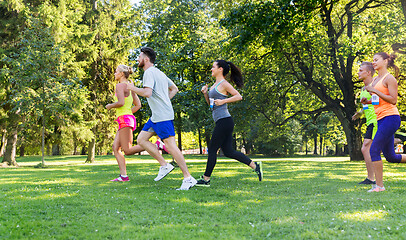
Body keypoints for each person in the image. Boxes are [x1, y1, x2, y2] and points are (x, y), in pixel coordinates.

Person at [126, 47, 197, 190]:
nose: (138, 59)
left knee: (171, 145)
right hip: (156, 116)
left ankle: (188, 178)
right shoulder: (160, 73)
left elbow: (147, 93)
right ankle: (164, 165)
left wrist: (131, 88)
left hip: (163, 116)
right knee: (141, 139)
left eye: (140, 57)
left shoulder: (149, 73)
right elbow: (174, 89)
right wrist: (165, 101)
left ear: (146, 59)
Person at [196, 60, 263, 187]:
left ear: (220, 69)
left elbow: (239, 96)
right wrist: (205, 94)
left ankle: (206, 179)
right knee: (228, 151)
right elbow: (211, 106)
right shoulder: (213, 85)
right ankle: (255, 166)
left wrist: (223, 101)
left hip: (224, 121)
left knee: (212, 149)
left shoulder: (224, 84)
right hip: (222, 121)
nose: (211, 69)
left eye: (213, 67)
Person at [361, 52, 406, 192]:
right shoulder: (375, 80)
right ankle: (379, 185)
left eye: (376, 60)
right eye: (372, 60)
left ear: (385, 61)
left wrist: (374, 90)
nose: (373, 62)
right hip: (380, 119)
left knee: (374, 149)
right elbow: (377, 100)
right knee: (391, 156)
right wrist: (367, 101)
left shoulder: (389, 78)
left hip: (391, 118)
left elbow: (393, 100)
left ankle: (379, 186)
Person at [106, 64, 144, 182]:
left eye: (116, 71)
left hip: (125, 120)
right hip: (127, 118)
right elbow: (138, 105)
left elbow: (121, 103)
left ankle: (154, 146)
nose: (114, 73)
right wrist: (126, 114)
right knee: (115, 148)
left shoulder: (120, 86)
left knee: (127, 150)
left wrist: (110, 106)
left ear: (122, 74)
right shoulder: (130, 86)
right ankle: (123, 176)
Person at [351, 62, 377, 185]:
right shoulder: (362, 89)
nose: (358, 73)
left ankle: (371, 178)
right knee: (389, 154)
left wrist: (368, 102)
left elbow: (378, 102)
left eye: (361, 70)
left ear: (368, 72)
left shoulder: (375, 85)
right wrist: (360, 113)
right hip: (370, 121)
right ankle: (396, 139)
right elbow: (366, 105)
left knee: (366, 147)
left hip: (377, 120)